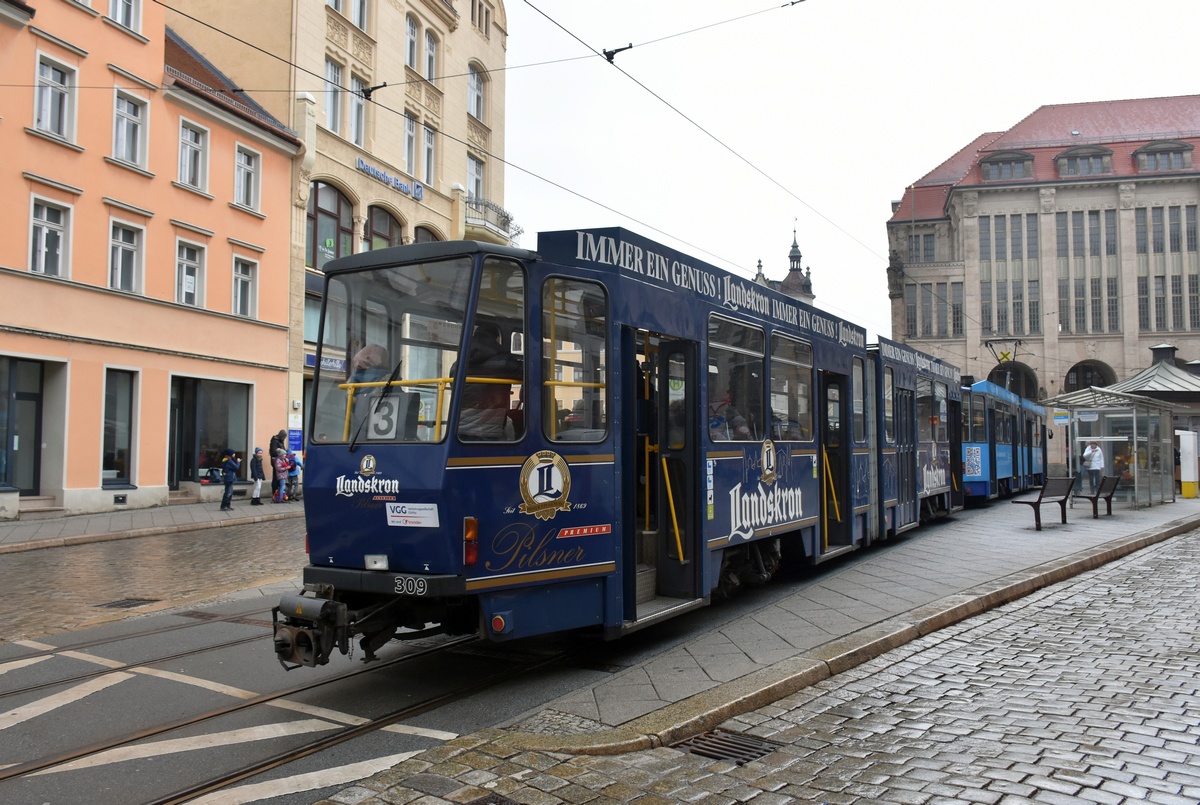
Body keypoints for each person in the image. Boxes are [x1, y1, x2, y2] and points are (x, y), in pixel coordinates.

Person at [454, 323, 521, 440]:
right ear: (496, 339)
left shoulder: (458, 364)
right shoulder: (503, 362)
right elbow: (529, 373)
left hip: (460, 428)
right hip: (489, 429)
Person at [269, 429, 287, 500]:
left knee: (281, 478)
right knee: (276, 479)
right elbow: (273, 452)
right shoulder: (275, 441)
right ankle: (275, 494)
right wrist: (280, 452)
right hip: (277, 462)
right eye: (284, 437)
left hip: (281, 461)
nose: (284, 439)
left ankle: (280, 493)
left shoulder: (280, 441)